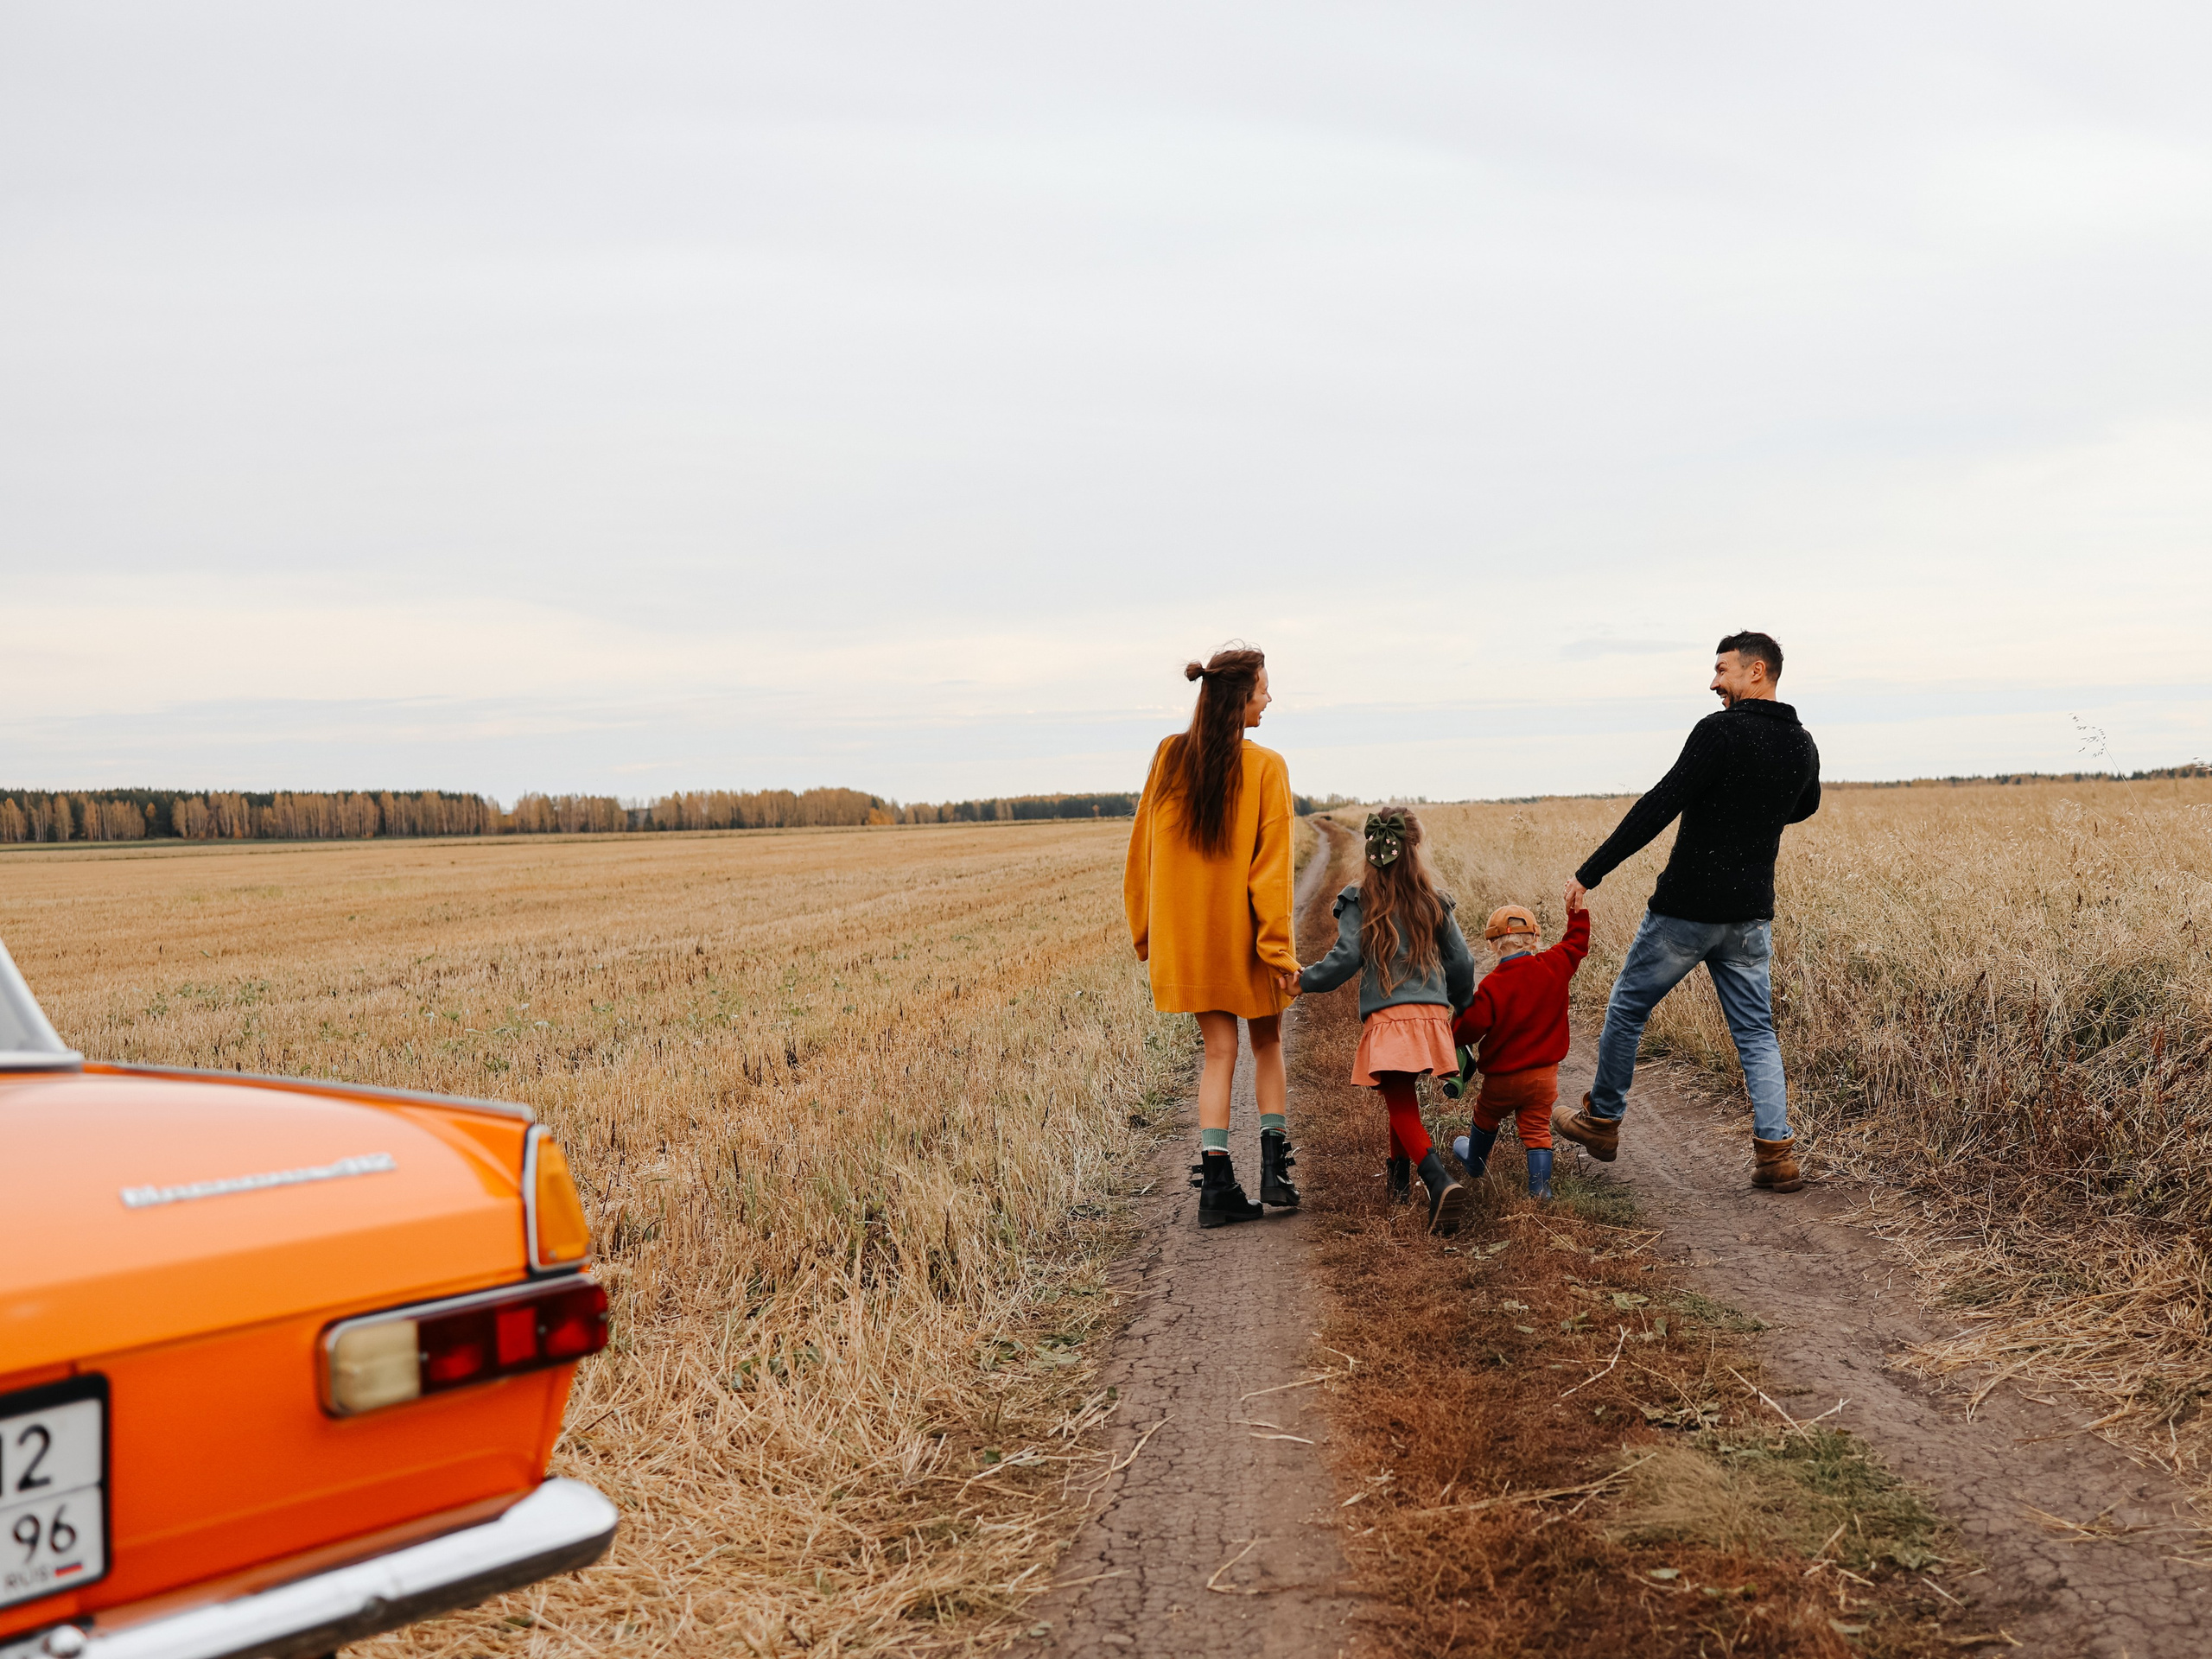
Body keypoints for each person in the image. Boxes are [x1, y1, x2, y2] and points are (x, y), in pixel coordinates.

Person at [1554, 631, 1821, 1192]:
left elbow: (1661, 802)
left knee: (1627, 1009)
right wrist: (1752, 811)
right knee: (1755, 1031)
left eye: (1722, 669)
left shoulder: (1718, 732)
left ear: (1757, 672)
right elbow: (1804, 804)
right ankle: (1776, 1154)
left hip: (1687, 910)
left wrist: (1591, 871)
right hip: (1749, 916)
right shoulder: (1801, 743)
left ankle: (1601, 1122)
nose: (1713, 681)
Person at [1124, 645, 1303, 1229]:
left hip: (1190, 942)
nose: (1270, 698)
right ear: (1241, 698)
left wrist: (1145, 930)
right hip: (1246, 939)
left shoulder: (1169, 756)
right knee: (1266, 1045)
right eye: (1264, 689)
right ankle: (1275, 1172)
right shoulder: (1267, 766)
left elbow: (1141, 851)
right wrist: (1278, 952)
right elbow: (1271, 870)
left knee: (1218, 1053)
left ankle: (1217, 1185)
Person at [1297, 809, 1478, 1235]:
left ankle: (1437, 1179)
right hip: (1432, 1016)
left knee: (1398, 1101)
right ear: (1415, 849)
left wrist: (1305, 981)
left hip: (1390, 1018)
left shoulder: (1362, 899)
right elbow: (1462, 961)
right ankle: (1398, 1180)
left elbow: (1344, 959)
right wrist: (1462, 1004)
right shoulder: (1432, 898)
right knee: (1403, 1096)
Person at [1448, 894, 1590, 1200]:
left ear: (1492, 945)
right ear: (1536, 940)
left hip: (1503, 1080)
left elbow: (1467, 1028)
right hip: (1544, 1077)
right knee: (1537, 1127)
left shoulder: (1492, 986)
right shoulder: (1554, 965)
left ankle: (1474, 1162)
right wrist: (1576, 911)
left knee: (1485, 1115)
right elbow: (1577, 943)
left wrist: (1454, 1025)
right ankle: (1540, 1188)